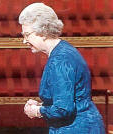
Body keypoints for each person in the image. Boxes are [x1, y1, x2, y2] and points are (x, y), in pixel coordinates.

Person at [19, 3, 105, 134]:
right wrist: (42, 106)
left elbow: (63, 109)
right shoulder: (63, 49)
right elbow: (67, 99)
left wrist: (37, 111)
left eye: (27, 34)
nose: (24, 41)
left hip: (76, 129)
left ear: (43, 31)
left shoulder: (60, 60)